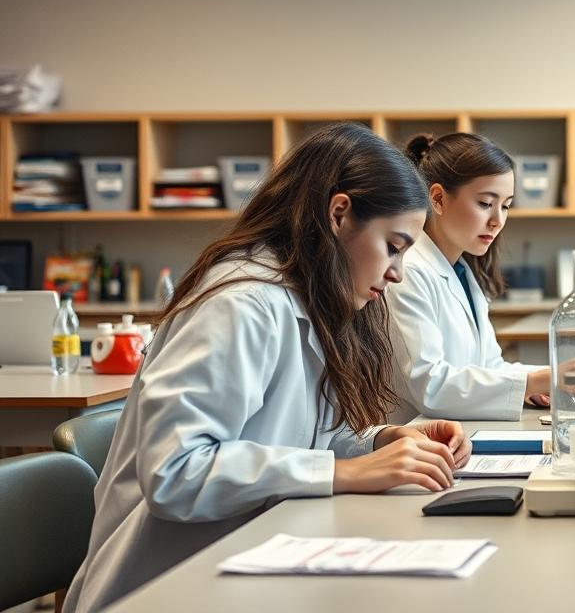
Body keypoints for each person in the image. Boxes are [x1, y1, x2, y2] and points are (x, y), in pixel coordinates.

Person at [66, 124, 473, 612]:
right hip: (160, 588)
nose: (397, 272)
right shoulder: (243, 302)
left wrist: (379, 441)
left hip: (244, 562)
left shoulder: (306, 298)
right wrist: (346, 472)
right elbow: (175, 474)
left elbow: (297, 437)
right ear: (339, 214)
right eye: (393, 245)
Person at [387, 132, 569, 422]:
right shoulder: (408, 272)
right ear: (437, 199)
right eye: (485, 203)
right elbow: (430, 386)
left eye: (506, 205)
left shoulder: (463, 272)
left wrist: (549, 377)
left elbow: (489, 366)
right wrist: (534, 382)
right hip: (414, 443)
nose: (497, 220)